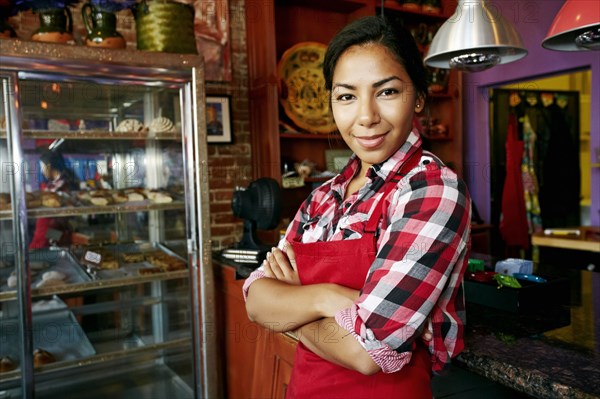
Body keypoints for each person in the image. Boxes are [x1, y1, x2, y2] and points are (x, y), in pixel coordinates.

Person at [243, 15, 471, 399]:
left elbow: (369, 352)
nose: (365, 117)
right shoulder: (323, 197)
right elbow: (255, 298)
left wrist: (289, 312)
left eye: (387, 92)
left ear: (418, 97)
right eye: (347, 95)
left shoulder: (431, 190)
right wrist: (326, 297)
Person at [29, 150, 78, 249]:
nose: (42, 171)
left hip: (53, 231)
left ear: (49, 166)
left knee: (43, 251)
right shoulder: (54, 183)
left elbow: (65, 217)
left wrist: (47, 237)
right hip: (48, 230)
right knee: (41, 249)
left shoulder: (63, 185)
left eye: (42, 167)